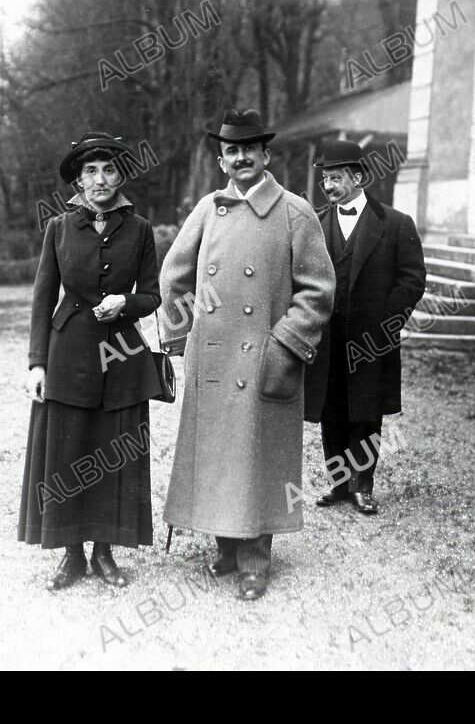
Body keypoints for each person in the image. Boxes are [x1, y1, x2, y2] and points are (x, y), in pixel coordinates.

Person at [159, 109, 334, 600]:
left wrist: (287, 342)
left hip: (265, 355)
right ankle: (227, 548)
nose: (241, 158)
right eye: (232, 151)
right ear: (222, 160)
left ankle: (256, 559)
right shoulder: (208, 208)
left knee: (259, 457)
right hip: (214, 359)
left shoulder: (294, 212)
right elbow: (174, 272)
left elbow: (318, 289)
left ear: (266, 155)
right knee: (217, 454)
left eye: (249, 150)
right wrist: (177, 335)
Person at [18, 132, 162, 590]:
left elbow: (153, 296)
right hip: (69, 355)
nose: (100, 180)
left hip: (122, 357)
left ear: (121, 176)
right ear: (78, 181)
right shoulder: (59, 228)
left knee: (114, 450)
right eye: (90, 172)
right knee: (68, 451)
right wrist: (37, 363)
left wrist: (126, 302)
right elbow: (42, 300)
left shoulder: (139, 229)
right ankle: (71, 555)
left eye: (109, 170)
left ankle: (104, 553)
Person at [303, 139, 426, 515]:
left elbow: (412, 279)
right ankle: (339, 484)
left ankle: (363, 485)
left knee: (366, 411)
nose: (328, 186)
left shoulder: (394, 223)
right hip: (327, 339)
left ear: (357, 177)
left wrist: (386, 325)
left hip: (372, 340)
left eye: (336, 178)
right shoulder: (316, 225)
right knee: (331, 411)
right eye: (325, 179)